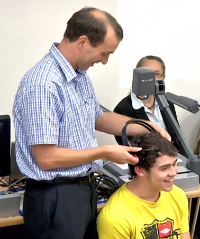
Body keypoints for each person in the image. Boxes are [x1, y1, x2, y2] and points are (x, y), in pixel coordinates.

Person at [12, 7, 170, 239]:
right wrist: (106, 151)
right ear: (83, 42)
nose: (105, 61)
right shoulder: (43, 84)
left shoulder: (79, 75)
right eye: (105, 53)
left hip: (83, 189)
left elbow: (97, 118)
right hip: (56, 195)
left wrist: (148, 126)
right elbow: (46, 158)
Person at [97, 132, 190, 239]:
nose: (173, 172)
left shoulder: (178, 195)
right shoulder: (115, 216)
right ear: (140, 170)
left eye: (174, 164)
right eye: (164, 168)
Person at [114, 55, 187, 157]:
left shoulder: (167, 103)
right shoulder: (123, 109)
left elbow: (177, 140)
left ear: (163, 78)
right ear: (137, 77)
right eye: (147, 75)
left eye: (157, 74)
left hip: (175, 160)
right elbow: (131, 149)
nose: (151, 79)